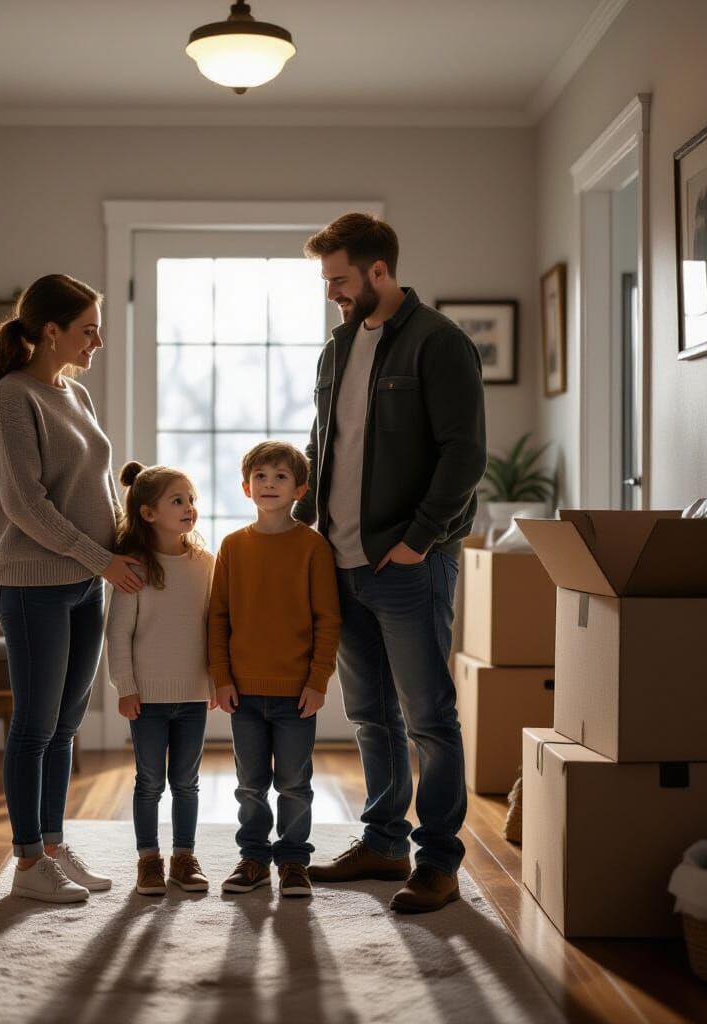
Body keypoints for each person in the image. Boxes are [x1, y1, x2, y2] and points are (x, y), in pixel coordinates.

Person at [294, 212, 487, 914]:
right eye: (327, 281)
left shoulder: (440, 343)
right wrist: (298, 521)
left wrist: (419, 538)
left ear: (379, 271)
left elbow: (464, 454)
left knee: (428, 716)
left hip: (408, 564)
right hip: (341, 561)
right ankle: (383, 842)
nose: (332, 294)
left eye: (340, 279)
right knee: (371, 715)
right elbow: (323, 444)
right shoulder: (337, 349)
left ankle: (437, 861)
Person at [0, 273, 144, 904]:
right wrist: (100, 558)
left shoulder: (75, 393)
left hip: (83, 582)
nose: (97, 341)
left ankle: (50, 844)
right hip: (33, 586)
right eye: (88, 330)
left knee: (67, 724)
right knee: (35, 725)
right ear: (52, 331)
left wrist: (128, 545)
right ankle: (26, 864)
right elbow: (25, 504)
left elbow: (96, 488)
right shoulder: (12, 398)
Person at [208, 441, 341, 899]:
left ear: (300, 489)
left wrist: (318, 680)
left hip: (296, 694)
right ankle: (253, 860)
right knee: (249, 786)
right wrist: (221, 677)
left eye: (281, 476)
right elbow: (218, 618)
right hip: (242, 693)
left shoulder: (313, 547)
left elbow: (328, 619)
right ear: (246, 488)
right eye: (260, 476)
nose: (269, 484)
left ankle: (293, 862)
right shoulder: (232, 546)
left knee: (294, 784)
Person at [106, 461, 215, 897]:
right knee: (149, 782)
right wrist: (125, 688)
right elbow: (118, 633)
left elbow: (213, 626)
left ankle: (184, 858)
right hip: (146, 699)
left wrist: (216, 680)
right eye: (178, 501)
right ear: (149, 513)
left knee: (186, 782)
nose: (189, 507)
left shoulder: (205, 564)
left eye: (192, 500)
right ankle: (148, 860)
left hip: (193, 695)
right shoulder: (134, 569)